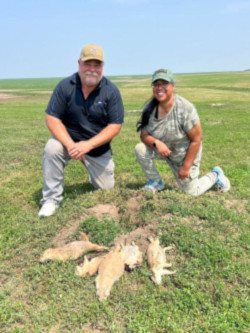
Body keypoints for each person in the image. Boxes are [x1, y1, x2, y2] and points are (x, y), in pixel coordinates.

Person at [38, 44, 124, 217]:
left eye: (97, 65)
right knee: (52, 147)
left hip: (97, 148)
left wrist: (88, 145)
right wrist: (71, 145)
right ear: (79, 63)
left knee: (107, 190)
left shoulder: (111, 91)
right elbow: (52, 119)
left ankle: (94, 177)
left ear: (103, 67)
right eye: (88, 64)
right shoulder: (65, 87)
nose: (92, 70)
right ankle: (51, 199)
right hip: (68, 142)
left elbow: (115, 126)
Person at [135, 68, 230, 196]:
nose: (159, 87)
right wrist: (157, 143)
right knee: (140, 149)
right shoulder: (149, 108)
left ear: (172, 86)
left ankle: (215, 175)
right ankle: (156, 182)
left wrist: (186, 167)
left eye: (164, 83)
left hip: (184, 155)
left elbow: (196, 139)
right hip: (163, 150)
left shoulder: (186, 108)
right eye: (156, 84)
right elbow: (144, 135)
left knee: (192, 192)